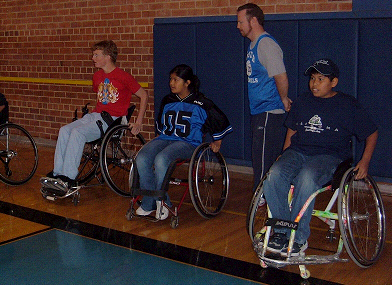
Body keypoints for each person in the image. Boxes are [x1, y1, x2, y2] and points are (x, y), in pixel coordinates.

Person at [262, 58, 378, 256]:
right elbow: (292, 129)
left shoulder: (348, 104)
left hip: (330, 156)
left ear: (334, 82)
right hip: (298, 151)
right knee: (273, 175)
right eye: (313, 79)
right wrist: (283, 155)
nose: (314, 84)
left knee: (306, 178)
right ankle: (282, 232)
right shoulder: (302, 101)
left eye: (320, 79)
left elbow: (371, 133)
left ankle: (298, 239)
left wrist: (364, 161)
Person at [134, 64, 232, 220]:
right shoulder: (167, 100)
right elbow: (161, 126)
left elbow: (219, 120)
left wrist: (217, 142)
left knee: (162, 159)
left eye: (176, 79)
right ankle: (149, 202)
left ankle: (162, 202)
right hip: (166, 138)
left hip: (189, 143)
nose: (171, 83)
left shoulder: (201, 102)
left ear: (187, 82)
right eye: (170, 79)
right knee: (142, 157)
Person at [46, 40, 148, 188]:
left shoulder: (123, 76)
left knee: (77, 133)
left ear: (107, 57)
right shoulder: (97, 76)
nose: (93, 58)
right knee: (64, 130)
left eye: (96, 55)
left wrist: (138, 121)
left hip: (113, 120)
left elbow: (144, 95)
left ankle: (68, 177)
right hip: (96, 116)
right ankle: (57, 173)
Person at [237, 3, 292, 194]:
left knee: (262, 160)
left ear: (253, 20)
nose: (238, 26)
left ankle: (260, 197)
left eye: (241, 21)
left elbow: (281, 76)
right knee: (260, 158)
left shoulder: (266, 44)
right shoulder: (253, 45)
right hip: (259, 111)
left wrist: (283, 99)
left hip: (269, 111)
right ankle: (268, 196)